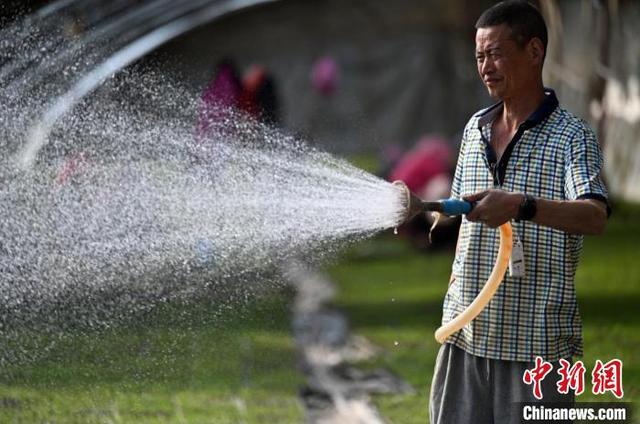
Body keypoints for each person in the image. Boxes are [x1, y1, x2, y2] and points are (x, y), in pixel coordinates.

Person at [429, 2, 610, 423]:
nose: (485, 67)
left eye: (494, 53)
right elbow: (459, 213)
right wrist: (422, 207)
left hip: (536, 349)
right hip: (465, 338)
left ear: (533, 51)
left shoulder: (572, 137)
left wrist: (520, 206)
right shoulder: (474, 129)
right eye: (479, 56)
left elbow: (594, 215)